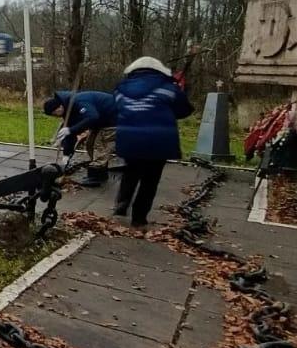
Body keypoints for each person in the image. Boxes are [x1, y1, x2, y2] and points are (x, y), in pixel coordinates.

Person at [112, 56, 193, 227]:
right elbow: (184, 110)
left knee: (130, 171)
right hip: (159, 139)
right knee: (150, 179)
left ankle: (121, 204)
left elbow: (117, 109)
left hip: (129, 138)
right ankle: (139, 218)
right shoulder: (169, 88)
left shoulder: (120, 89)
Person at [43, 89, 118, 187]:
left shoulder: (78, 101)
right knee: (89, 144)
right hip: (102, 122)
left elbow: (92, 117)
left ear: (59, 107)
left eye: (54, 114)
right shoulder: (68, 111)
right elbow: (71, 135)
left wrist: (70, 129)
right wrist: (66, 155)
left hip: (116, 118)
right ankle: (100, 169)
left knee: (99, 144)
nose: (55, 117)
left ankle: (97, 176)